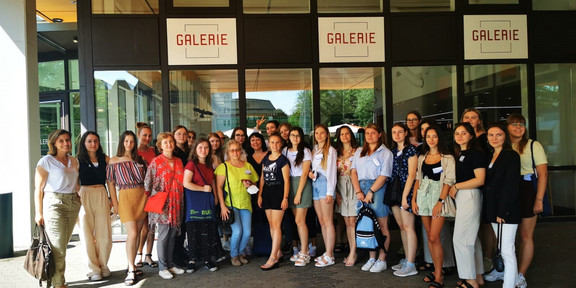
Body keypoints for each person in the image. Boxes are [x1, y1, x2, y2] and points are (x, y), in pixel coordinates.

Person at [34, 129, 82, 288]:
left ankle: (53, 280)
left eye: (67, 140)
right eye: (61, 140)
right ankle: (58, 283)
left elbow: (76, 183)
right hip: (54, 203)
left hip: (72, 203)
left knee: (61, 246)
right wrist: (38, 212)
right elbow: (38, 189)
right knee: (58, 248)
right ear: (54, 143)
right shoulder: (46, 161)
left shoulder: (74, 161)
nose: (65, 143)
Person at [507, 114, 548, 288]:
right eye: (514, 124)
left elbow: (543, 174)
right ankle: (508, 271)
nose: (518, 127)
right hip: (508, 191)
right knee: (508, 238)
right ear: (507, 127)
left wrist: (539, 199)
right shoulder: (503, 144)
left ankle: (520, 275)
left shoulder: (533, 145)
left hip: (526, 190)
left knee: (525, 235)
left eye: (521, 124)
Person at [412, 125, 456, 288]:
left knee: (434, 237)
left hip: (438, 197)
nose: (431, 139)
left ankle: (439, 275)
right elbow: (418, 178)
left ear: (439, 138)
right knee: (429, 235)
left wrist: (440, 201)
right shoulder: (422, 156)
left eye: (434, 136)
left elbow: (448, 181)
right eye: (428, 136)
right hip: (423, 196)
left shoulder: (447, 157)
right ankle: (438, 270)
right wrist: (414, 200)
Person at [106, 131, 147, 286]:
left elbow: (147, 179)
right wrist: (115, 204)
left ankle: (134, 264)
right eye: (126, 141)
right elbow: (110, 183)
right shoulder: (113, 161)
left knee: (139, 233)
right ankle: (130, 268)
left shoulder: (140, 159)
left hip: (141, 196)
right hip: (125, 197)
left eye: (132, 141)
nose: (129, 144)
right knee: (133, 233)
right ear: (122, 142)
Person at [483, 122, 521, 288]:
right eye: (491, 135)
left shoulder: (510, 155)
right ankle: (510, 281)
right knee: (502, 247)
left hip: (506, 210)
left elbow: (511, 186)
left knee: (507, 250)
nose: (494, 138)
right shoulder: (491, 155)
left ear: (505, 136)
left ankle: (509, 285)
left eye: (498, 134)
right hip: (494, 209)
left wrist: (502, 211)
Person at [350, 123, 393, 273]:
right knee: (367, 223)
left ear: (380, 134)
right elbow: (353, 172)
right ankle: (372, 257)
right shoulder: (359, 151)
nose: (369, 136)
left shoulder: (385, 152)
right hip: (361, 188)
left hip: (378, 188)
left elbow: (385, 174)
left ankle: (382, 258)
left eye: (373, 133)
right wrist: (358, 191)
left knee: (381, 225)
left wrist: (371, 191)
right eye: (367, 133)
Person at [144, 132, 185, 280]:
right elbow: (148, 181)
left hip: (177, 201)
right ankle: (162, 267)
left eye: (170, 141)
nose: (169, 144)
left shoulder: (179, 161)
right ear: (160, 146)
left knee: (173, 234)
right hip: (163, 202)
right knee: (163, 235)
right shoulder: (156, 162)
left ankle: (170, 264)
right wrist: (154, 195)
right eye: (165, 142)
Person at [451, 123, 486, 288]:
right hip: (464, 196)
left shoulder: (475, 154)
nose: (459, 136)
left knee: (461, 239)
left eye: (463, 133)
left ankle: (470, 280)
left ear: (471, 135)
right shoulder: (461, 153)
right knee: (472, 239)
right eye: (457, 133)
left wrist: (457, 186)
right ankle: (477, 276)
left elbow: (480, 179)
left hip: (470, 195)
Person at [215, 140, 259, 267]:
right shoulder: (223, 167)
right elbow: (218, 187)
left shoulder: (247, 166)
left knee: (247, 232)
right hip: (231, 204)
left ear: (241, 151)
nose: (235, 152)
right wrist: (223, 206)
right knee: (238, 231)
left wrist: (250, 184)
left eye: (237, 149)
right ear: (228, 152)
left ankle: (240, 253)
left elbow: (255, 183)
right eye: (232, 150)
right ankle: (234, 255)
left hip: (245, 203)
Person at [461, 108, 495, 274]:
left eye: (473, 117)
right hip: (469, 187)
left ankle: (488, 259)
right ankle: (478, 262)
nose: (469, 119)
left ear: (479, 120)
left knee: (485, 224)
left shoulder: (484, 139)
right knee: (475, 227)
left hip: (482, 186)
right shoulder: (462, 143)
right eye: (466, 117)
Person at [76, 131, 112, 281]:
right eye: (89, 141)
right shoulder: (77, 160)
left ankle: (103, 265)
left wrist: (113, 201)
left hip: (101, 193)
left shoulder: (105, 159)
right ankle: (92, 269)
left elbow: (110, 181)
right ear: (84, 143)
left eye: (96, 141)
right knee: (86, 233)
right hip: (84, 194)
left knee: (104, 233)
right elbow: (74, 181)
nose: (93, 144)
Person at [183, 138, 220, 272]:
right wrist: (203, 189)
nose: (203, 150)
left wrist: (215, 196)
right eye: (200, 147)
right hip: (194, 203)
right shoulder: (191, 165)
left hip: (207, 202)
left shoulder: (210, 165)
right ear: (195, 149)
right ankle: (192, 260)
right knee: (193, 232)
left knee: (207, 232)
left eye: (206, 147)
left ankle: (207, 259)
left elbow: (213, 182)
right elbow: (186, 183)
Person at [388, 123, 419, 277]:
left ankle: (412, 263)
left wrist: (405, 196)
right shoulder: (393, 151)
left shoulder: (411, 150)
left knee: (409, 226)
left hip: (406, 192)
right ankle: (407, 258)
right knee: (401, 226)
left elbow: (412, 175)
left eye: (400, 131)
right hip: (394, 191)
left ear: (406, 133)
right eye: (394, 132)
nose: (397, 134)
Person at [258, 133, 290, 270]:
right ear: (269, 144)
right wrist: (260, 195)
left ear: (281, 144)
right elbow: (262, 178)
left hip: (278, 192)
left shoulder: (283, 160)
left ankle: (273, 258)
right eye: (272, 142)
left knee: (276, 225)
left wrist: (285, 198)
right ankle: (278, 251)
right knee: (271, 225)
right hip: (267, 192)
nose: (275, 145)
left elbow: (287, 180)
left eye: (277, 142)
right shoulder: (266, 158)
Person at [283, 127, 313, 266]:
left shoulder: (306, 151)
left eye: (298, 135)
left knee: (300, 221)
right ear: (289, 137)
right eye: (293, 135)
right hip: (290, 185)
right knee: (297, 220)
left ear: (301, 138)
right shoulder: (285, 151)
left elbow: (305, 173)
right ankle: (303, 249)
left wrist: (299, 193)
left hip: (302, 185)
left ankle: (305, 252)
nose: (295, 138)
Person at [308, 124, 337, 268]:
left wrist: (330, 192)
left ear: (327, 135)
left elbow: (331, 173)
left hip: (325, 184)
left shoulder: (330, 151)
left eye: (322, 133)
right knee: (321, 220)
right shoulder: (314, 150)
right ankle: (327, 252)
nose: (319, 135)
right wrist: (310, 174)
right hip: (315, 183)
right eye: (317, 133)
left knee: (328, 220)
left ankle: (330, 255)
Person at [334, 125, 360, 267]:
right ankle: (352, 250)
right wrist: (336, 191)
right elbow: (334, 174)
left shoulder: (359, 151)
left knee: (353, 221)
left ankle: (354, 251)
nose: (345, 136)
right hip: (341, 187)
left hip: (354, 186)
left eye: (347, 133)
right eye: (342, 134)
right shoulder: (336, 153)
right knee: (347, 222)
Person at [135, 123, 158, 269]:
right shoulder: (134, 152)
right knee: (141, 227)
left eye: (149, 135)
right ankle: (139, 254)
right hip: (139, 192)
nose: (147, 138)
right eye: (144, 135)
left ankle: (149, 255)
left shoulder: (152, 151)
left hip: (153, 192)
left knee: (151, 227)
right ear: (138, 135)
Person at [171, 125, 190, 269]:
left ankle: (181, 251)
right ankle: (175, 256)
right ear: (174, 135)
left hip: (187, 191)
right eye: (179, 134)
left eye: (184, 134)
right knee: (177, 225)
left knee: (184, 225)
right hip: (176, 191)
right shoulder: (173, 152)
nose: (182, 136)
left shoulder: (189, 151)